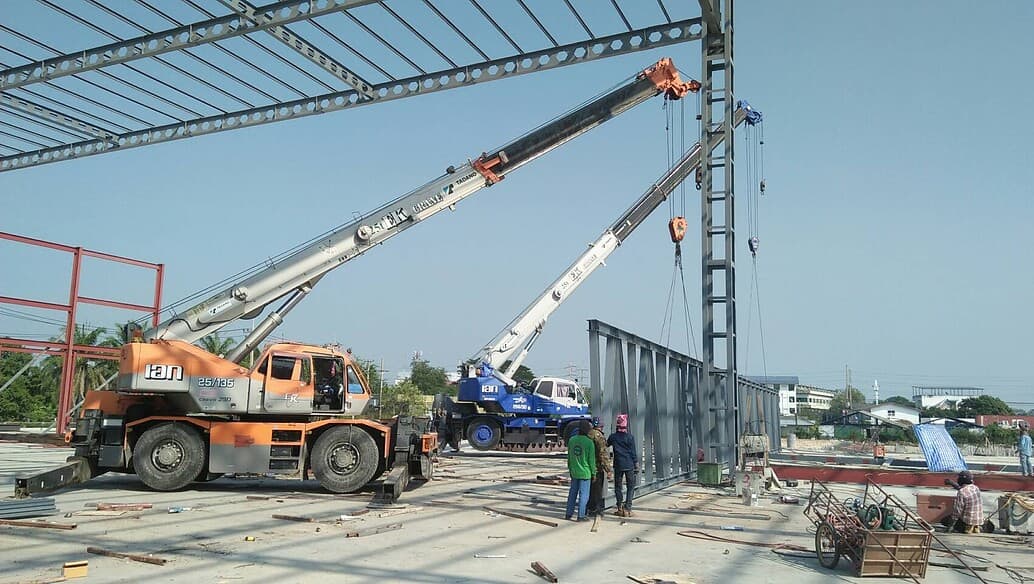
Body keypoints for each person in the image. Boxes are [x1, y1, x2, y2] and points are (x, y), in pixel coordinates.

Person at [607, 413, 639, 517]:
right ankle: (628, 508)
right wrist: (636, 464)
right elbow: (633, 453)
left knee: (618, 487)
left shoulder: (613, 437)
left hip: (618, 465)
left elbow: (606, 444)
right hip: (629, 464)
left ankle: (619, 507)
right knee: (631, 486)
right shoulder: (630, 437)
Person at [565, 419, 597, 521]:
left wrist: (570, 468)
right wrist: (594, 473)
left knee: (572, 493)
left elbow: (569, 456)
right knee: (584, 495)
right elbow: (591, 460)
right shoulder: (589, 442)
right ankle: (581, 515)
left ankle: (568, 514)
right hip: (585, 473)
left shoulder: (572, 440)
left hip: (574, 471)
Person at [585, 417, 613, 517]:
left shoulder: (588, 434)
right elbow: (603, 454)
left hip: (587, 467)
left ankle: (588, 508)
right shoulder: (599, 436)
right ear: (601, 425)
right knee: (597, 491)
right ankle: (596, 510)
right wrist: (608, 469)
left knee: (589, 490)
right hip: (597, 468)